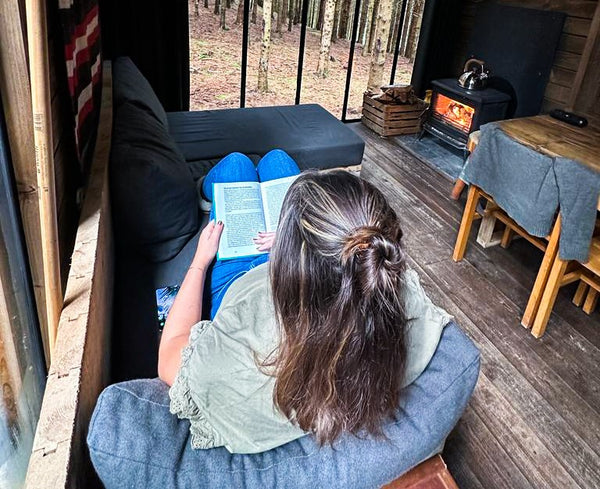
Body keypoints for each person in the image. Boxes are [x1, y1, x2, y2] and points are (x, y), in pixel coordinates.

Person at [158, 150, 452, 454]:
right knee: (278, 161)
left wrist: (200, 261)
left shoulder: (230, 360)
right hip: (301, 263)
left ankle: (205, 189)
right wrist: (295, 244)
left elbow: (168, 354)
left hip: (245, 279)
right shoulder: (400, 299)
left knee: (236, 165)